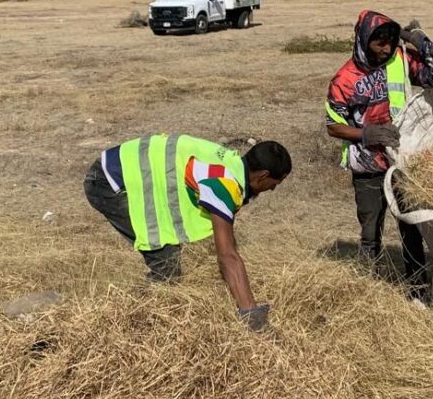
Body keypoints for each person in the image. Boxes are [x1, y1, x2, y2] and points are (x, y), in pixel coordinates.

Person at [84, 135, 291, 331]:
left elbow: (228, 240)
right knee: (166, 268)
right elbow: (227, 255)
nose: (272, 190)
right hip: (110, 182)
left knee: (167, 261)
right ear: (263, 176)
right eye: (274, 184)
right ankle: (123, 322)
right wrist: (251, 315)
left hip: (116, 168)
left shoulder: (231, 163)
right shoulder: (224, 183)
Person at [325, 10, 433, 303]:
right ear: (362, 40)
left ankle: (418, 291)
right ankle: (367, 291)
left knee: (411, 226)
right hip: (368, 166)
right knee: (371, 231)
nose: (385, 49)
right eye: (379, 43)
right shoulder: (344, 79)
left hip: (402, 162)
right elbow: (332, 125)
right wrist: (365, 134)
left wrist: (420, 41)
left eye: (390, 41)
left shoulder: (400, 60)